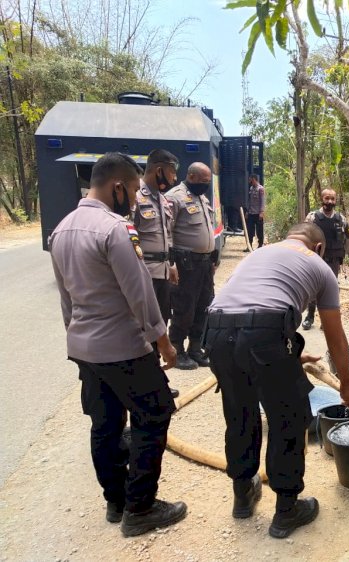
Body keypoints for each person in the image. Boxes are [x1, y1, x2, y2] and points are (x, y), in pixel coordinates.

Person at [49, 152, 187, 537]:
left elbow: (66, 299)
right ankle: (141, 508)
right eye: (133, 190)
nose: (135, 198)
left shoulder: (61, 229)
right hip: (121, 347)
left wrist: (76, 336)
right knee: (154, 413)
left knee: (105, 423)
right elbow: (140, 292)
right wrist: (164, 343)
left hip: (84, 348)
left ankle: (117, 501)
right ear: (118, 187)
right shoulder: (114, 229)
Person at [205, 222, 349, 539]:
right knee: (288, 418)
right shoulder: (320, 266)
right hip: (263, 336)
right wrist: (347, 382)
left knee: (240, 414)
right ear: (318, 247)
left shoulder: (260, 253)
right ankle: (287, 510)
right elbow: (335, 337)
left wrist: (283, 356)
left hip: (217, 334)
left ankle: (243, 497)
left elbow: (247, 309)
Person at [134, 149, 181, 398]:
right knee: (146, 330)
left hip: (162, 272)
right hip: (145, 274)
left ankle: (156, 379)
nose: (174, 178)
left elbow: (168, 236)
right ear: (159, 169)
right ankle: (148, 385)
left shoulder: (162, 199)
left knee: (161, 324)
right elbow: (128, 239)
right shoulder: (136, 197)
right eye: (172, 172)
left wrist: (171, 263)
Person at [165, 162, 217, 370]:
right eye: (204, 181)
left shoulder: (202, 198)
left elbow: (207, 230)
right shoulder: (174, 197)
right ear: (192, 177)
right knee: (184, 307)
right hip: (185, 264)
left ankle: (196, 347)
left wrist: (212, 258)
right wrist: (171, 264)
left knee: (205, 305)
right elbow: (166, 232)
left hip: (204, 264)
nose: (206, 185)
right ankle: (177, 350)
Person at [302, 189, 349, 330]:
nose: (330, 201)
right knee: (314, 288)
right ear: (321, 199)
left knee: (330, 289)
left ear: (336, 200)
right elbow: (303, 237)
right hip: (316, 259)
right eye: (327, 198)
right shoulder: (312, 218)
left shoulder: (342, 220)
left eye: (332, 199)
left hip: (334, 261)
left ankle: (325, 320)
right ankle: (310, 317)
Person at [245, 174, 265, 247]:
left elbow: (262, 201)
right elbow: (250, 201)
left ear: (254, 179)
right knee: (249, 230)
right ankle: (249, 245)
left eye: (251, 180)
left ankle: (260, 245)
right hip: (251, 213)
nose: (250, 181)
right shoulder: (251, 188)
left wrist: (262, 212)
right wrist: (247, 211)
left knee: (259, 230)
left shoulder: (260, 189)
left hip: (258, 213)